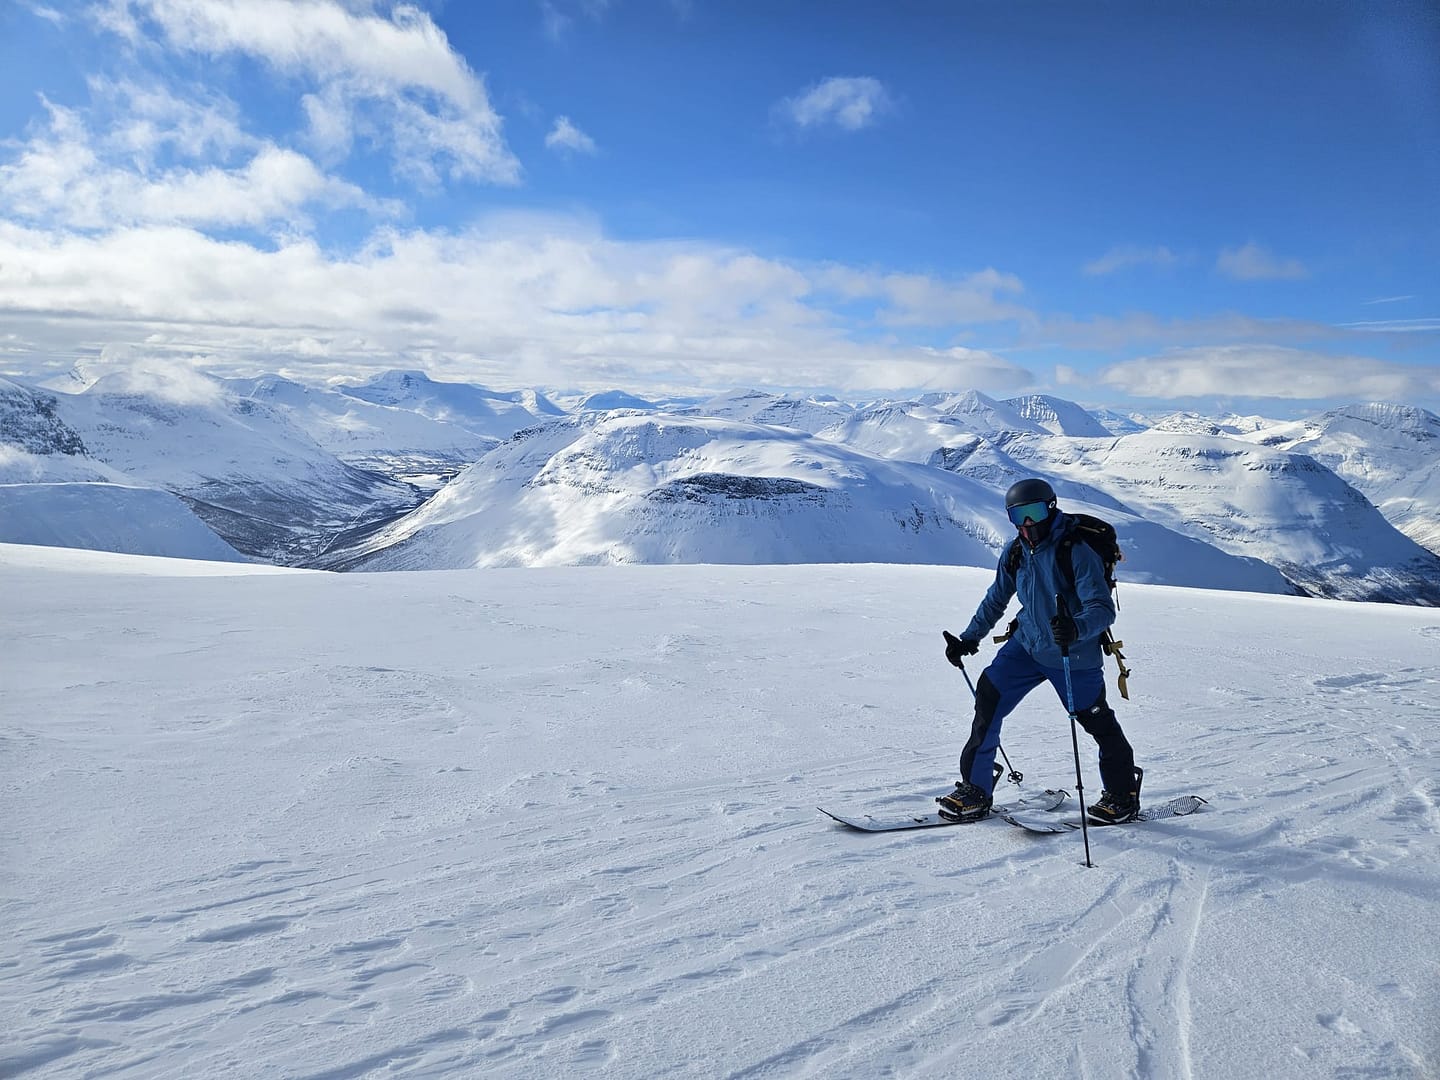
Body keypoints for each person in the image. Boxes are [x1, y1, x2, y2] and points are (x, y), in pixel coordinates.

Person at [938, 478, 1142, 824]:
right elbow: (996, 598)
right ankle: (976, 789)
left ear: (1050, 508)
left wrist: (1076, 627)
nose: (1027, 524)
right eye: (1018, 516)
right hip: (1027, 646)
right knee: (987, 702)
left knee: (1097, 722)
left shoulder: (1075, 550)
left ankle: (1122, 794)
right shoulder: (1016, 551)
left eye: (1033, 513)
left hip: (1072, 653)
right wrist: (969, 638)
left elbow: (1102, 608)